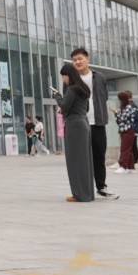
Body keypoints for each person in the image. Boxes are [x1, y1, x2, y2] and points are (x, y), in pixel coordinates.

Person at [69, 48, 115, 197]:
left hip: (97, 123)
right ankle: (84, 189)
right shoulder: (70, 79)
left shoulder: (99, 77)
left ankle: (101, 186)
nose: (77, 62)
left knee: (99, 156)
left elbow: (104, 96)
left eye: (80, 58)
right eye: (74, 60)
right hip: (79, 124)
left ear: (87, 59)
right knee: (81, 158)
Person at [58, 63, 95, 202]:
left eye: (64, 76)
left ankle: (79, 194)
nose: (63, 79)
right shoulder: (83, 89)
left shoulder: (72, 89)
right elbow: (85, 109)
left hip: (74, 125)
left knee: (75, 161)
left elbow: (64, 106)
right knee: (85, 160)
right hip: (83, 123)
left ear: (68, 75)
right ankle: (88, 193)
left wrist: (57, 96)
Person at [115, 91, 138, 172]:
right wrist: (118, 115)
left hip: (128, 130)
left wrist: (117, 114)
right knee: (128, 149)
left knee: (124, 149)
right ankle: (130, 167)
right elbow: (119, 120)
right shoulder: (122, 108)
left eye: (120, 99)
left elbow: (123, 118)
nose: (119, 101)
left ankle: (123, 166)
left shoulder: (128, 107)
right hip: (123, 130)